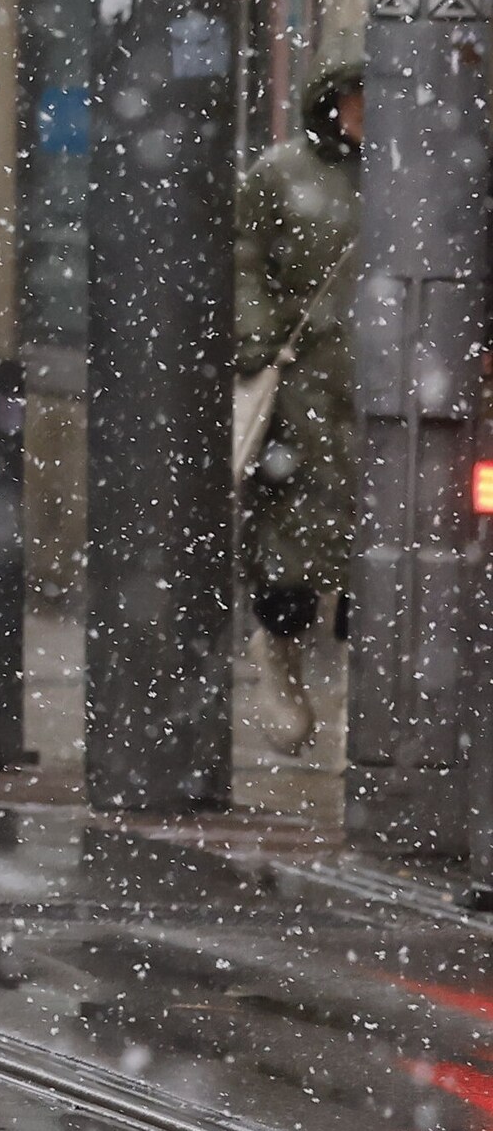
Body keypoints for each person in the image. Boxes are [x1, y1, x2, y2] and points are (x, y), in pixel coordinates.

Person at [237, 54, 362, 758]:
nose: (366, 112)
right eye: (355, 98)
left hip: (385, 396)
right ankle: (278, 656)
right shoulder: (280, 174)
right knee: (289, 547)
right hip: (302, 388)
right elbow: (243, 258)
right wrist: (257, 335)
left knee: (373, 558)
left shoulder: (416, 177)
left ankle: (354, 696)